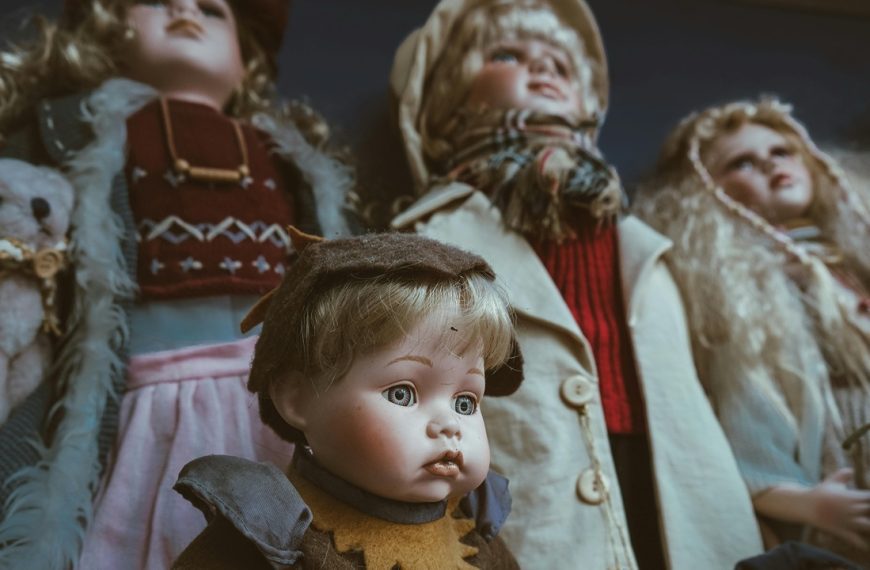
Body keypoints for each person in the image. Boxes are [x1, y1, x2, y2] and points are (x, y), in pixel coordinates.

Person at [387, 0, 763, 567]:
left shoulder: (648, 238)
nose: (542, 68)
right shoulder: (428, 237)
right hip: (535, 497)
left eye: (562, 64)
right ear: (452, 93)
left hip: (678, 496)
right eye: (507, 55)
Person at [0, 1, 353, 568]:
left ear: (245, 63)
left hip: (277, 399)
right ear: (107, 29)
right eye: (158, 1)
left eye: (212, 9)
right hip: (143, 399)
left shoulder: (292, 164)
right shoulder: (71, 133)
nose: (186, 9)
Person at [170, 229, 522, 569]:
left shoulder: (473, 531)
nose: (449, 425)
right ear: (297, 399)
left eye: (465, 402)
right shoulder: (271, 541)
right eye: (402, 394)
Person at [634, 97, 870, 563]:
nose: (770, 164)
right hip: (836, 475)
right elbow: (747, 428)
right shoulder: (745, 302)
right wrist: (809, 504)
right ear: (705, 191)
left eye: (781, 151)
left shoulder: (850, 264)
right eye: (741, 162)